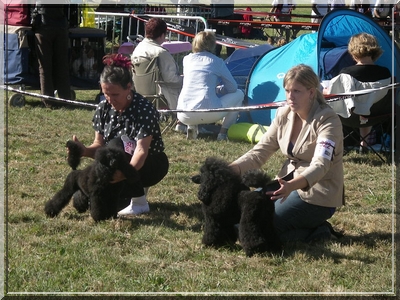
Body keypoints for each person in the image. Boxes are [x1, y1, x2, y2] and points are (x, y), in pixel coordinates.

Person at [229, 64, 344, 243]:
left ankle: (320, 230)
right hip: (285, 185)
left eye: (297, 91)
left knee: (261, 229)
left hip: (318, 194)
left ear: (311, 92)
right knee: (243, 214)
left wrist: (292, 186)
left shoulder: (328, 120)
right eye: (287, 90)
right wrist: (230, 170)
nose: (290, 96)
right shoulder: (283, 114)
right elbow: (260, 151)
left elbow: (321, 165)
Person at [71, 53, 169, 216]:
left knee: (116, 144)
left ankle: (139, 200)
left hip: (149, 163)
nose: (109, 99)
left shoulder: (144, 109)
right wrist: (84, 151)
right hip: (118, 164)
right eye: (105, 93)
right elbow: (99, 146)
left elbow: (141, 151)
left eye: (115, 94)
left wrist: (124, 174)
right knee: (85, 201)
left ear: (129, 87)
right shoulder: (103, 108)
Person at [323, 33, 391, 153]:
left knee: (326, 97)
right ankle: (364, 144)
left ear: (353, 52)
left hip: (349, 117)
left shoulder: (346, 74)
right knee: (367, 101)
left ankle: (330, 144)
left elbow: (334, 96)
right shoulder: (385, 73)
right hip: (378, 116)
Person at [176, 31, 244, 141]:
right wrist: (220, 90)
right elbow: (232, 87)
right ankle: (223, 133)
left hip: (183, 114)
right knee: (239, 94)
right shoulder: (217, 61)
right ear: (213, 44)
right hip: (209, 112)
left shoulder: (186, 59)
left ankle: (192, 127)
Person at [131, 17, 183, 110]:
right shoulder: (160, 53)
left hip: (140, 95)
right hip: (162, 96)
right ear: (162, 35)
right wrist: (187, 79)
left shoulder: (137, 50)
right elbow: (171, 79)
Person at [31, 4, 71, 105]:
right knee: (62, 65)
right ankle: (65, 98)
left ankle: (48, 100)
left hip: (44, 25)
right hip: (61, 25)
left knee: (45, 66)